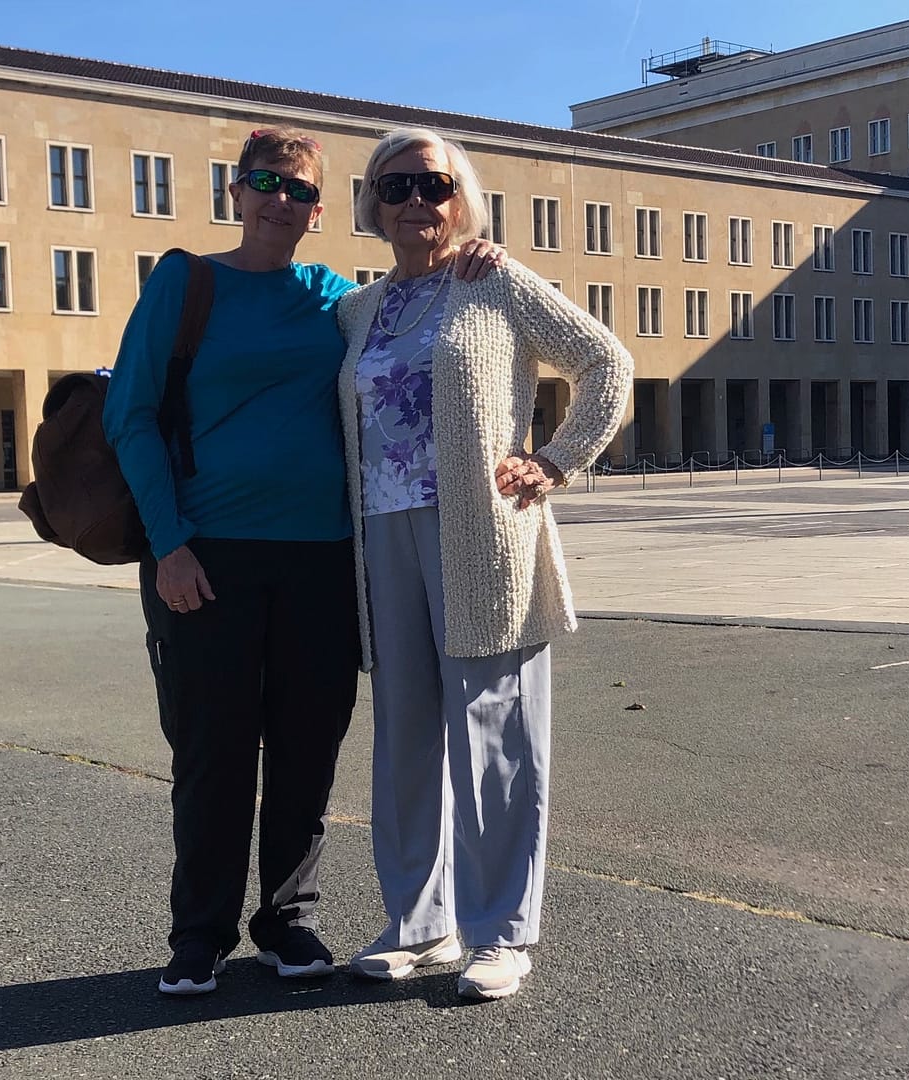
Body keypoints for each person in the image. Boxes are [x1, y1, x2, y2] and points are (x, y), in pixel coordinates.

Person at [102, 126, 500, 997]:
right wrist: (168, 544)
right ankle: (200, 931)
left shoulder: (337, 300)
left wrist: (475, 253)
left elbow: (417, 308)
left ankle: (286, 919)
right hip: (206, 554)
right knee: (212, 748)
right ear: (236, 193)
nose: (279, 200)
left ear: (320, 211)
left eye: (299, 191)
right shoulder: (185, 282)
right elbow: (129, 417)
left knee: (307, 747)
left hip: (325, 557)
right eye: (264, 183)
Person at [335, 127, 633, 1001]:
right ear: (371, 203)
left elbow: (605, 362)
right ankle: (418, 924)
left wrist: (555, 461)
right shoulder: (357, 309)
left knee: (497, 735)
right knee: (404, 734)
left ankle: (502, 932)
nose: (414, 201)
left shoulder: (493, 281)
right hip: (380, 535)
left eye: (433, 185)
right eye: (395, 187)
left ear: (460, 197)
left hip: (483, 538)